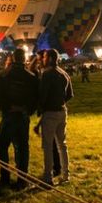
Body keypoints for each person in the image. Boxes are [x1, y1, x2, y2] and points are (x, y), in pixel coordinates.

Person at [0, 48, 39, 190]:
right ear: (24, 58)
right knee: (23, 148)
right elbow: (36, 97)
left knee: (3, 147)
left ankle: (4, 178)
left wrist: (7, 106)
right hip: (22, 116)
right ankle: (22, 180)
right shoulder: (31, 77)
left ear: (12, 58)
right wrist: (26, 109)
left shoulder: (3, 75)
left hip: (8, 116)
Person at [37, 49, 72, 185]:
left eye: (45, 57)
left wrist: (40, 108)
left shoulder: (47, 75)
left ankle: (48, 177)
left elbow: (42, 95)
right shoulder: (64, 74)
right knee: (62, 145)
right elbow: (70, 94)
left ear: (50, 58)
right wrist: (60, 101)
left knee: (47, 146)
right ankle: (65, 175)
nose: (43, 59)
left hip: (50, 113)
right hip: (62, 111)